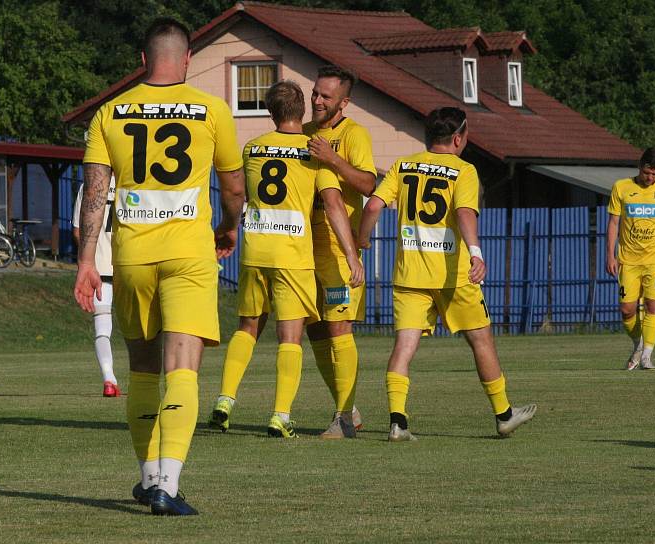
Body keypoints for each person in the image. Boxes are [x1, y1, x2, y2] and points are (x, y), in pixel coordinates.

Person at [74, 17, 246, 516]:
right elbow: (234, 188)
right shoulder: (212, 109)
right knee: (183, 370)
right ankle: (168, 488)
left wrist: (87, 260)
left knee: (144, 369)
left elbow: (96, 192)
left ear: (142, 62)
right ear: (188, 59)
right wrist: (231, 226)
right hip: (188, 255)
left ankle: (149, 478)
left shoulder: (111, 111)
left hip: (131, 257)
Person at [358, 107, 536, 441]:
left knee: (404, 345)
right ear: (458, 138)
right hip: (453, 278)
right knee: (481, 340)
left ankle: (398, 421)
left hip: (410, 275)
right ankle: (504, 415)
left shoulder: (403, 164)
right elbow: (465, 213)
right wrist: (476, 252)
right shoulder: (463, 170)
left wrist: (363, 238)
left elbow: (372, 206)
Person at [208, 80, 364, 438]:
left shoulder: (252, 148)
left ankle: (225, 399)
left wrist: (227, 227)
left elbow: (238, 193)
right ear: (301, 111)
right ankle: (280, 415)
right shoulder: (314, 151)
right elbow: (335, 204)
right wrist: (351, 255)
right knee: (289, 337)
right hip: (293, 256)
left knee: (247, 328)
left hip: (256, 250)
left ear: (270, 111)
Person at [304, 65, 376, 438]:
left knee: (338, 328)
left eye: (325, 97)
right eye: (315, 93)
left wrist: (332, 159)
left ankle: (343, 418)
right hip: (302, 248)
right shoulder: (301, 134)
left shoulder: (353, 134)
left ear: (343, 103)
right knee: (314, 330)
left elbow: (368, 184)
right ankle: (349, 409)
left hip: (337, 247)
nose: (316, 100)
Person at [606, 148, 655, 370]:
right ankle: (639, 344)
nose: (650, 178)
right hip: (628, 260)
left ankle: (647, 355)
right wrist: (610, 255)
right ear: (640, 167)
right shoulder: (621, 187)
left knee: (653, 304)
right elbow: (613, 224)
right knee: (626, 309)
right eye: (647, 173)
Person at [72, 176, 120, 397]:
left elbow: (77, 231)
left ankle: (109, 379)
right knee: (144, 329)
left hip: (99, 269)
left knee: (102, 330)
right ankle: (146, 382)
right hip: (131, 266)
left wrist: (87, 260)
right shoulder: (131, 180)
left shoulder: (89, 185)